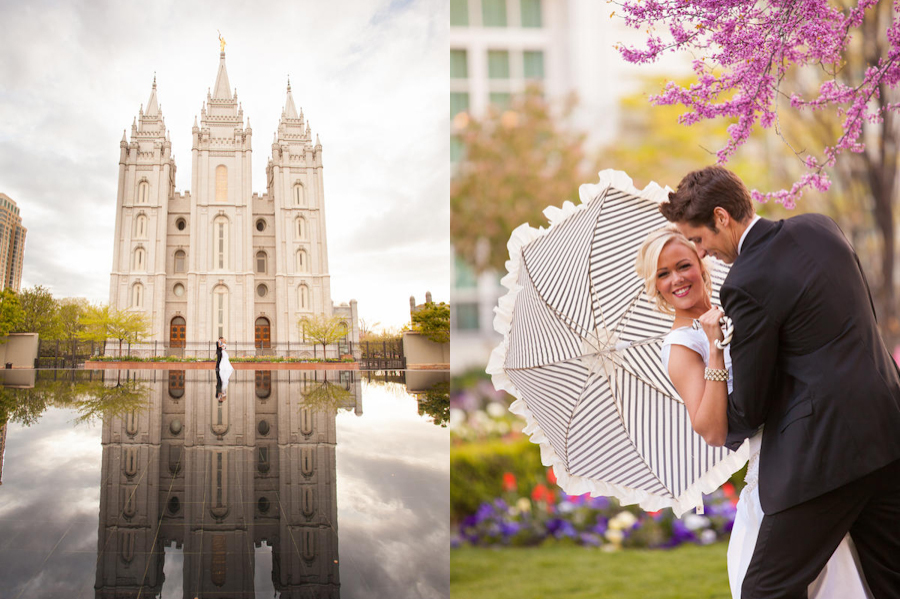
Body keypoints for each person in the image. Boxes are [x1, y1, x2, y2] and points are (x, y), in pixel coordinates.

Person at [659, 165, 900, 599]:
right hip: (888, 430)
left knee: (765, 591)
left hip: (824, 457)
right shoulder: (821, 228)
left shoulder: (746, 283)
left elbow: (748, 408)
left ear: (721, 217)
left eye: (697, 240)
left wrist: (718, 403)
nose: (703, 252)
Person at [636, 226, 872, 599]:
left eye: (683, 265)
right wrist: (714, 349)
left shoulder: (737, 304)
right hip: (777, 472)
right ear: (655, 286)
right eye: (663, 274)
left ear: (701, 262)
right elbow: (711, 430)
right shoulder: (681, 347)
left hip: (811, 452)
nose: (677, 279)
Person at [216, 338, 234, 402]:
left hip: (223, 351)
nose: (223, 340)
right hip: (223, 352)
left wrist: (220, 396)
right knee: (224, 358)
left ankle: (223, 367)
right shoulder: (224, 397)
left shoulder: (223, 343)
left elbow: (222, 347)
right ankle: (223, 367)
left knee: (225, 359)